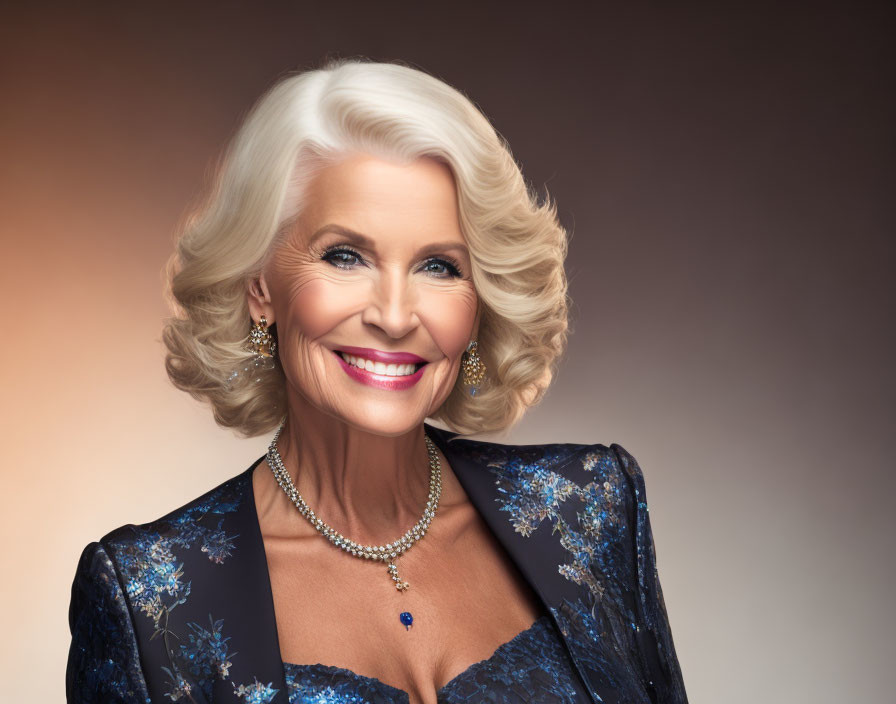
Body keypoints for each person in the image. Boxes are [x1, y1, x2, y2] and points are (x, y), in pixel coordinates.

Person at [66, 58, 688, 704]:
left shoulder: (589, 510)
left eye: (439, 267)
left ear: (479, 303)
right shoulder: (148, 601)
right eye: (345, 256)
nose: (394, 316)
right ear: (260, 289)